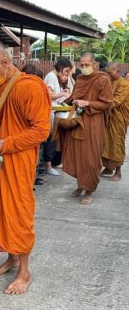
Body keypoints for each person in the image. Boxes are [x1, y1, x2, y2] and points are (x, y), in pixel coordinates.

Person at [0, 44, 51, 295]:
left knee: (19, 214)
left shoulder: (29, 86)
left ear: (6, 63)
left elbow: (41, 131)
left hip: (18, 162)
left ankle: (25, 272)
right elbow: (10, 121)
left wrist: (4, 143)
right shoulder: (4, 88)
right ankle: (12, 258)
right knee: (2, 210)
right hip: (1, 159)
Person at [57, 53, 113, 204]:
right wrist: (65, 102)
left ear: (94, 64)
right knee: (78, 155)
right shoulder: (80, 79)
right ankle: (81, 185)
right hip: (78, 121)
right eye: (81, 65)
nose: (84, 68)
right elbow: (75, 96)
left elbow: (107, 104)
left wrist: (88, 103)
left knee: (91, 157)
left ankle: (89, 190)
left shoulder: (103, 79)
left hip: (94, 123)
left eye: (87, 65)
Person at [44, 59, 73, 175]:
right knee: (50, 138)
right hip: (50, 111)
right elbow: (49, 94)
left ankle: (52, 164)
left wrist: (62, 92)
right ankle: (49, 166)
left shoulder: (54, 77)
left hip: (54, 111)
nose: (66, 74)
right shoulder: (51, 76)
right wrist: (62, 94)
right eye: (66, 71)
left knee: (53, 138)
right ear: (61, 67)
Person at [101, 62, 129, 181]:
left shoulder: (125, 84)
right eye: (107, 73)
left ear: (117, 71)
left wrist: (99, 105)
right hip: (108, 117)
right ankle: (108, 168)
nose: (108, 75)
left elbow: (116, 101)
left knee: (117, 143)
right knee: (106, 142)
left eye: (110, 73)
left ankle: (118, 172)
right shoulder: (109, 82)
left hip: (118, 118)